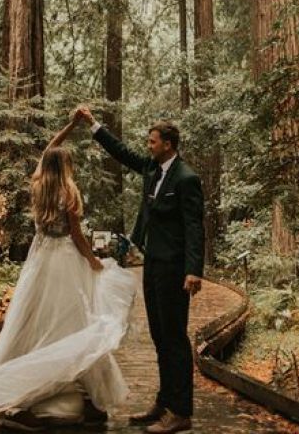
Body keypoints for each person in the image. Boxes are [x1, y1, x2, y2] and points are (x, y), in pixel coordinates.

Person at [0, 114, 137, 432]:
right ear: (65, 166)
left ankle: (57, 397)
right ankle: (83, 398)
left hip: (40, 261)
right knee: (75, 324)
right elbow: (77, 236)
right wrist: (94, 262)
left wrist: (69, 127)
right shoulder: (68, 193)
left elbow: (48, 151)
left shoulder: (38, 185)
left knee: (34, 324)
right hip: (65, 262)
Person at [76, 107, 204, 434]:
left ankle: (181, 412)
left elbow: (194, 226)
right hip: (153, 265)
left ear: (168, 144)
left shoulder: (186, 178)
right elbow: (122, 153)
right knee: (160, 337)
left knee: (174, 338)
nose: (148, 146)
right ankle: (164, 403)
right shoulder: (151, 168)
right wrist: (93, 124)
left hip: (175, 268)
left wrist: (193, 270)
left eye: (152, 141)